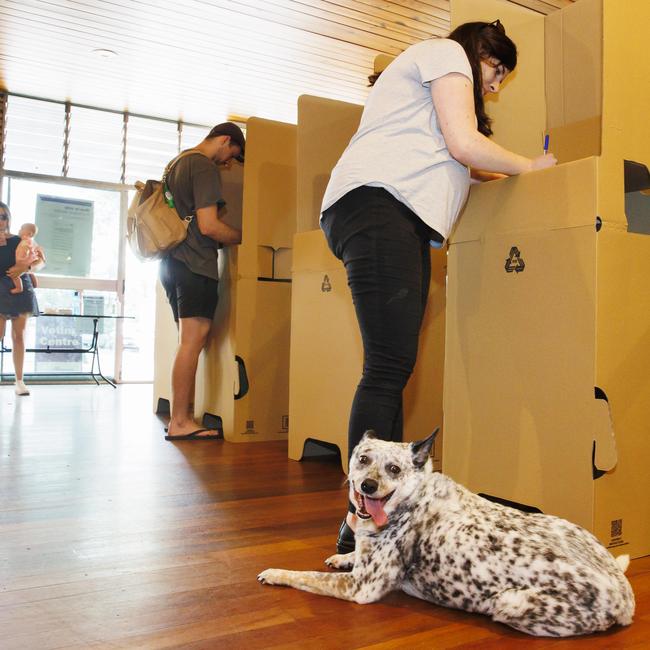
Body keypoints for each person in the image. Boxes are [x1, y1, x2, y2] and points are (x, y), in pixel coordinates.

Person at [319, 20, 558, 553]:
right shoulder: (446, 53)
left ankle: (380, 518)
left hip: (385, 214)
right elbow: (463, 143)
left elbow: (460, 161)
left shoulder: (428, 89)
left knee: (391, 367)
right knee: (386, 368)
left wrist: (503, 176)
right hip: (380, 208)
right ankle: (361, 524)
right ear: (478, 50)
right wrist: (533, 167)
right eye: (497, 70)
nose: (495, 86)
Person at [160, 122, 245, 440]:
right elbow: (209, 227)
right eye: (232, 155)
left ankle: (181, 416)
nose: (228, 164)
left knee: (188, 342)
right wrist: (245, 237)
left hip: (172, 263)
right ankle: (180, 421)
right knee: (192, 342)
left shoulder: (178, 163)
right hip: (195, 263)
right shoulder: (203, 166)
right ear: (225, 140)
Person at [0, 202, 46, 396]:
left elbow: (41, 260)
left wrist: (25, 268)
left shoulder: (21, 239)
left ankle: (20, 381)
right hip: (1, 288)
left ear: (8, 219)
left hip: (21, 289)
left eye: (3, 216)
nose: (1, 220)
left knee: (19, 337)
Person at [8, 223, 40, 294]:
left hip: (22, 262)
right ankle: (32, 278)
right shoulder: (26, 241)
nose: (19, 230)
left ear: (29, 233)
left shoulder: (24, 241)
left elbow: (41, 261)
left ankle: (19, 288)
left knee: (14, 275)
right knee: (28, 273)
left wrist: (27, 267)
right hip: (24, 262)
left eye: (22, 229)